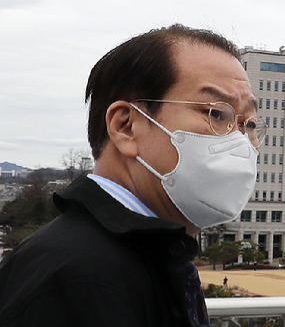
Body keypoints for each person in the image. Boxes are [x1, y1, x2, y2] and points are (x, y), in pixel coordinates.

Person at [0, 24, 266, 327]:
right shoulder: (79, 281)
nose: (243, 141)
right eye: (217, 114)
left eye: (251, 125)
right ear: (126, 126)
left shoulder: (148, 258)